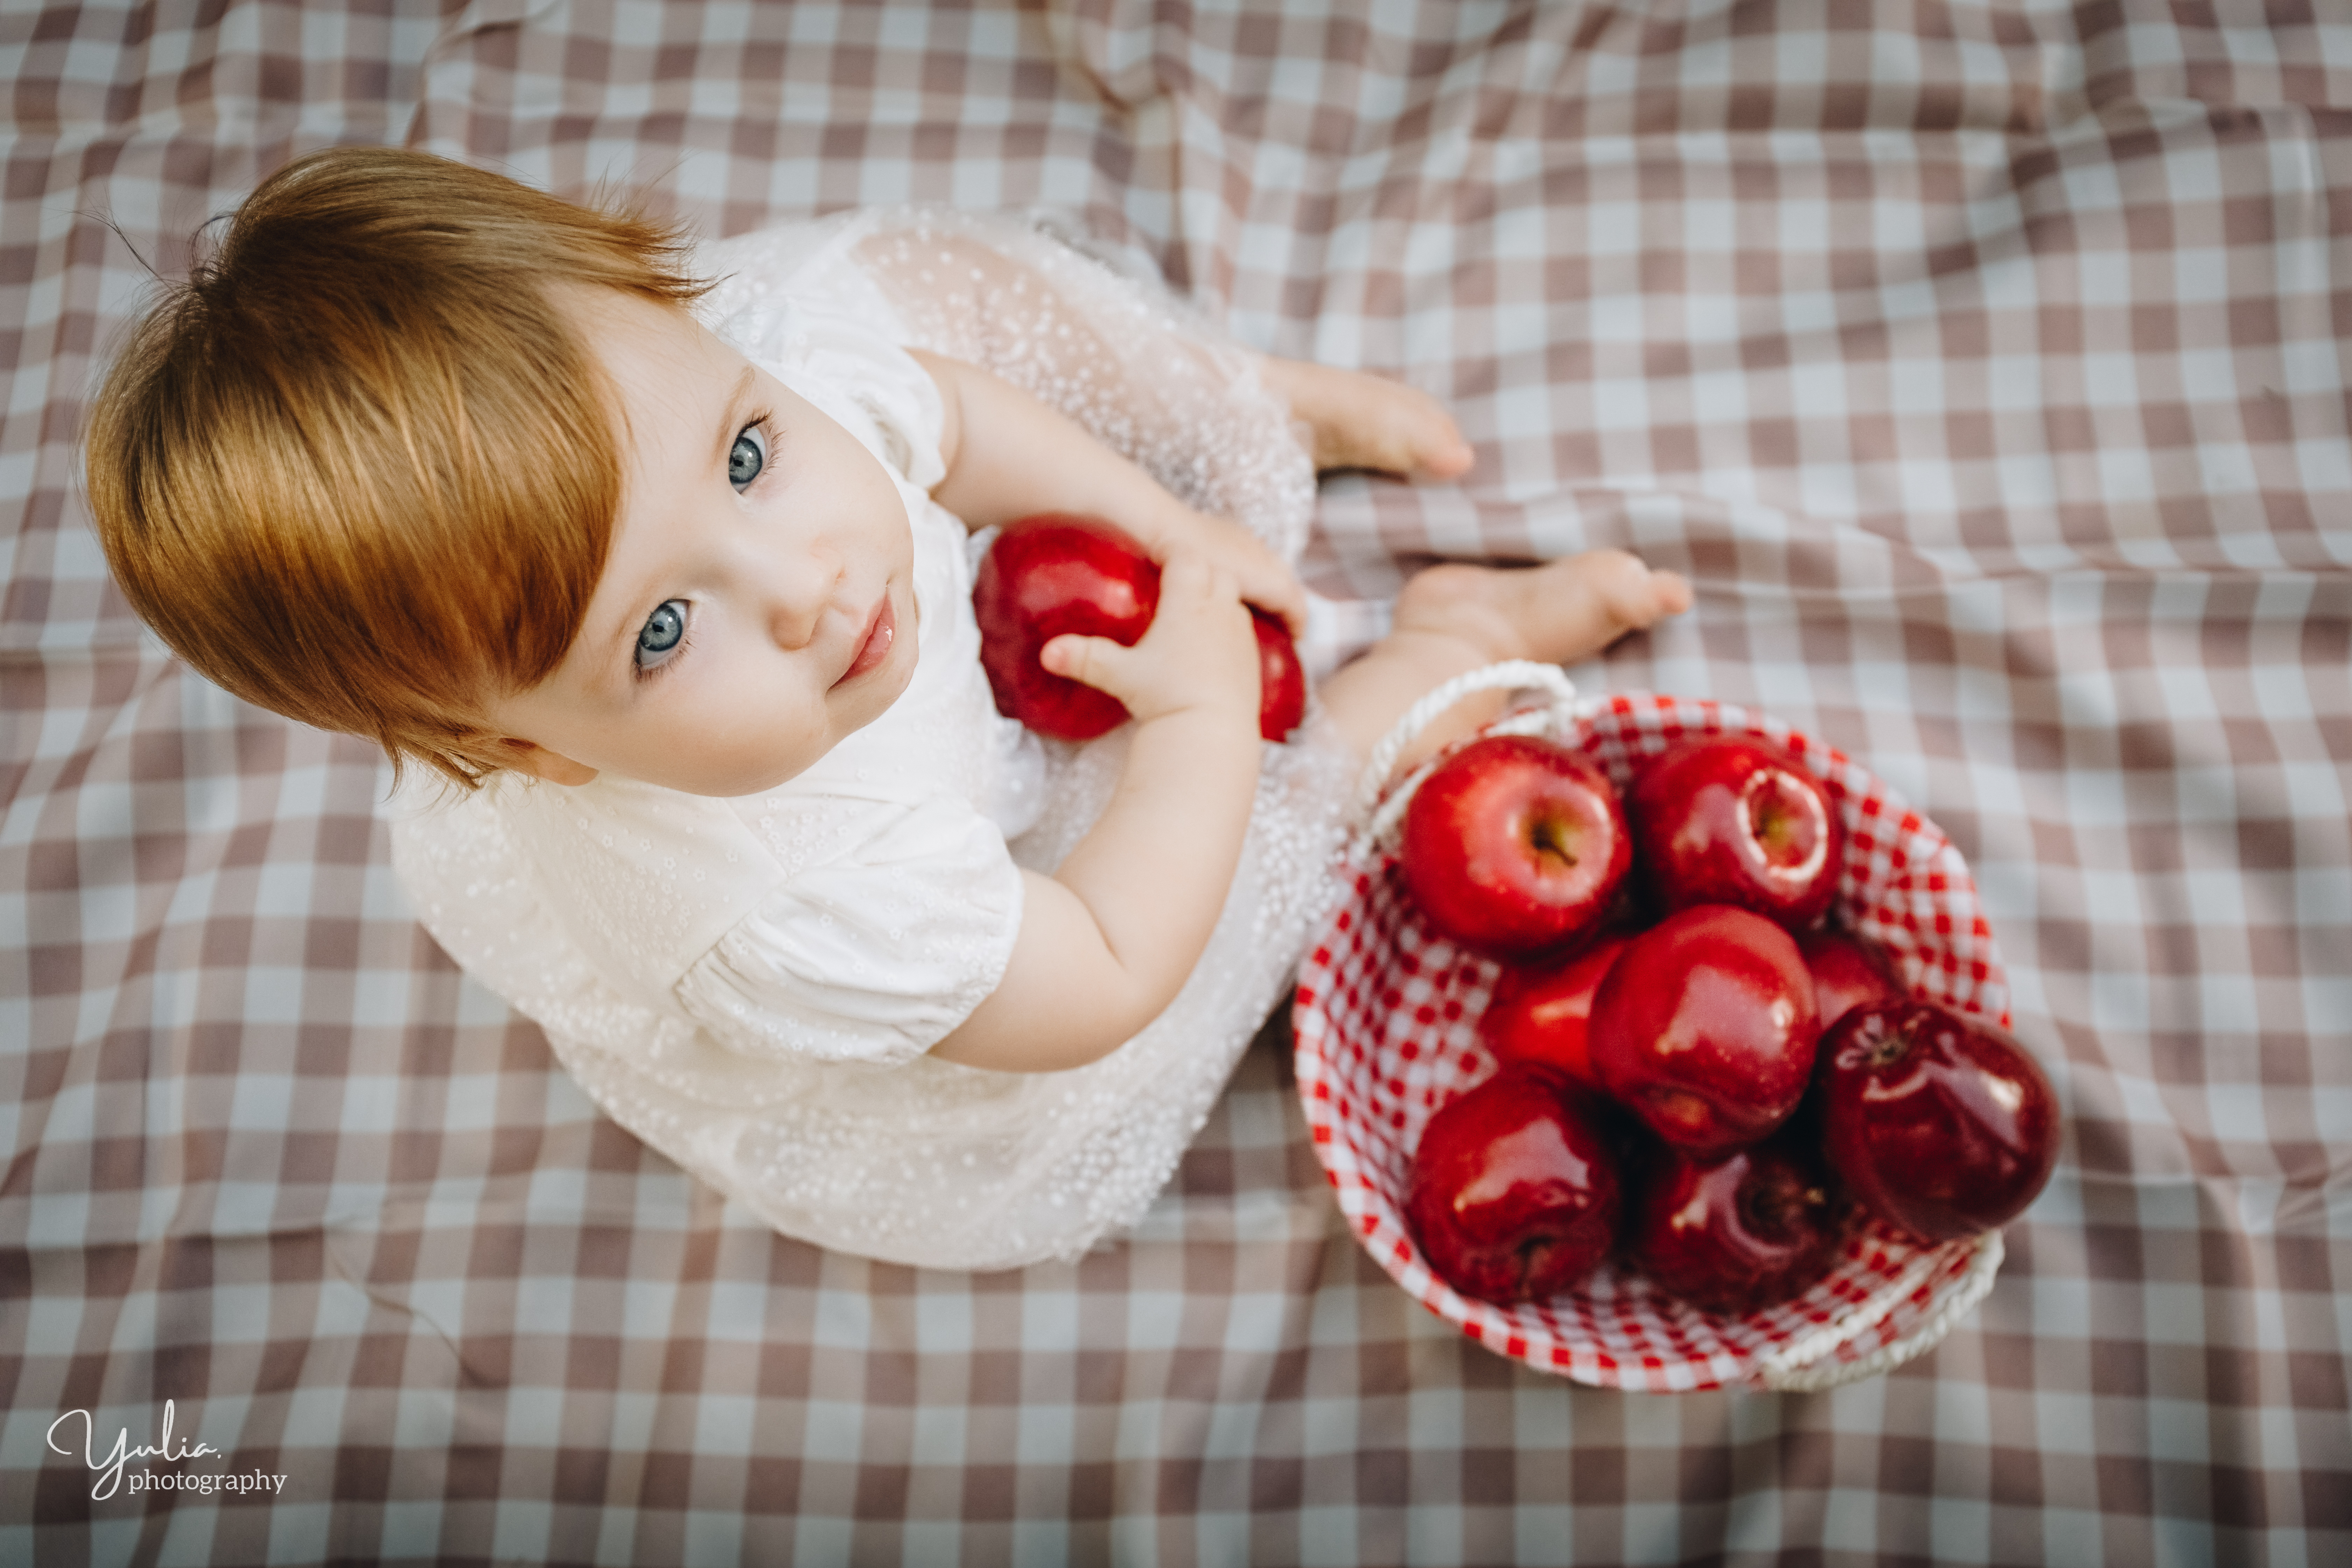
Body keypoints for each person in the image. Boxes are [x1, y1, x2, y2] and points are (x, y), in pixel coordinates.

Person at [85, 148, 1689, 1268]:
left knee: (922, 297)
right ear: (526, 749)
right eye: (661, 630)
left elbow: (943, 419)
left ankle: (1244, 394)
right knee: (1247, 832)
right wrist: (1202, 725)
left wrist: (1162, 511)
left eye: (745, 455)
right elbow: (1105, 970)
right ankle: (1430, 660)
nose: (806, 580)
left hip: (918, 619)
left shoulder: (772, 402)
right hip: (1007, 926)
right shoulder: (793, 900)